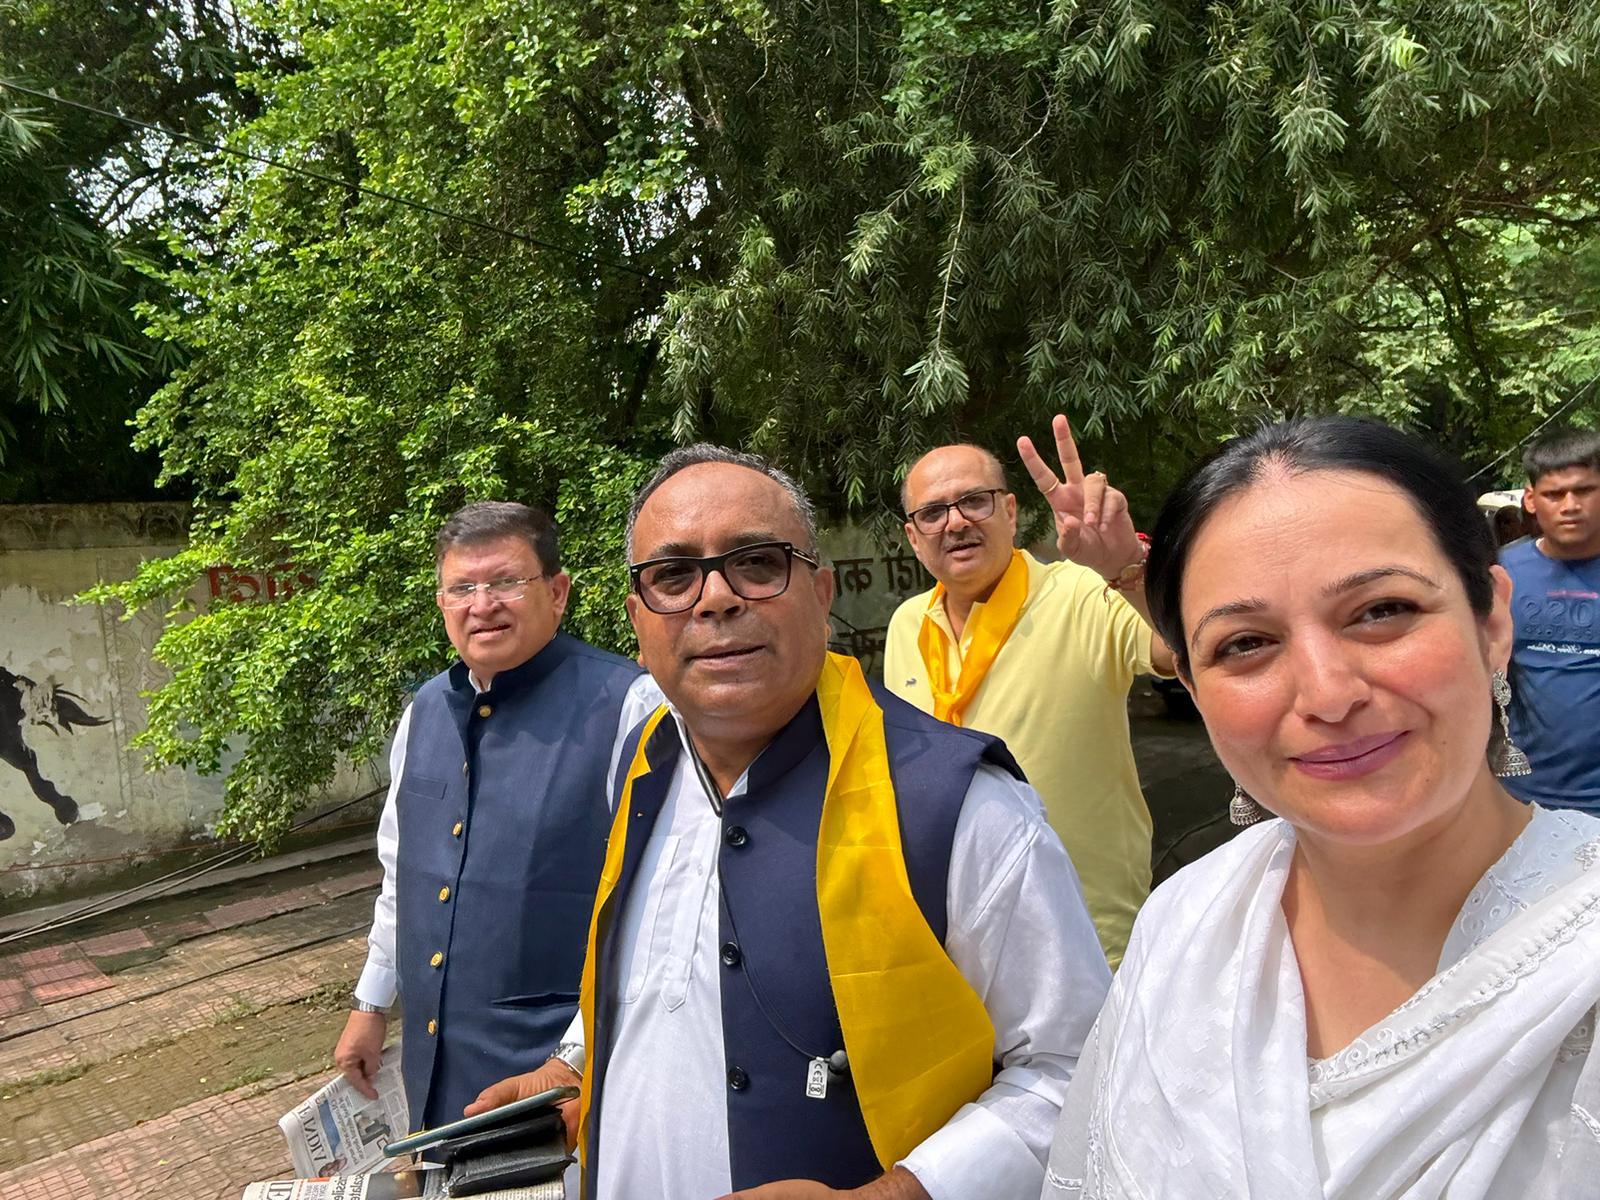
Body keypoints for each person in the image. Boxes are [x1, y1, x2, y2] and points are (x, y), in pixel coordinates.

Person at [469, 445, 1110, 1200]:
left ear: (820, 591)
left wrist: (894, 1196)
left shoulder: (959, 805)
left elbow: (1078, 1069)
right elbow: (661, 972)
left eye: (756, 563)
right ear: (638, 621)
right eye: (673, 576)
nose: (715, 599)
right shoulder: (647, 761)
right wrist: (575, 1067)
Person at [1041, 417, 1600, 1199]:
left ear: (1493, 622)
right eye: (1244, 644)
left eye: (1382, 610)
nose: (1329, 694)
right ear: (1193, 688)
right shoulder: (1184, 927)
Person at [331, 501, 660, 1131]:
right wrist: (370, 1003)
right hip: (434, 1067)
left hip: (560, 1079)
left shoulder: (629, 705)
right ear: (442, 603)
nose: (482, 605)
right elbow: (402, 877)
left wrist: (575, 1059)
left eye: (506, 582)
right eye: (462, 588)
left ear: (557, 593)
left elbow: (656, 906)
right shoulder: (424, 711)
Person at [884, 422, 1174, 966]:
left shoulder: (1084, 592)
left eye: (975, 501)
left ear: (1011, 511)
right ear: (914, 537)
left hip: (1086, 941)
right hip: (957, 941)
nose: (956, 522)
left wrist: (1126, 569)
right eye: (933, 512)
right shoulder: (907, 623)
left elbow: (1186, 652)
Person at [1499, 428, 1600, 811]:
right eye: (1554, 495)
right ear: (1530, 500)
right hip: (1518, 798)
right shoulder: (1500, 575)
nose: (1569, 505)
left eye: (1584, 491)